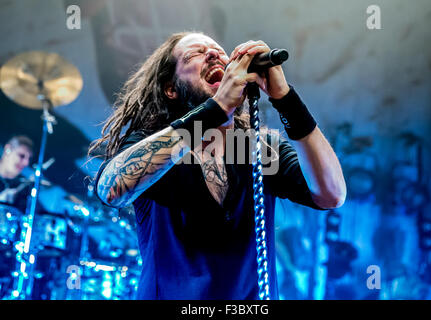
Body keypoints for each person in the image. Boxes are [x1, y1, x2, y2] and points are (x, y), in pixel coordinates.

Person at [90, 31, 346, 299]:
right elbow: (111, 189)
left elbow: (332, 194)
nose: (213, 53)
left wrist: (285, 98)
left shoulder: (261, 149)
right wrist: (217, 107)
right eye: (193, 54)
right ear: (171, 88)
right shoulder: (155, 145)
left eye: (219, 51)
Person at [0, 135, 33, 208]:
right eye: (21, 156)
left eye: (29, 159)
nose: (26, 163)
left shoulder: (25, 189)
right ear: (7, 149)